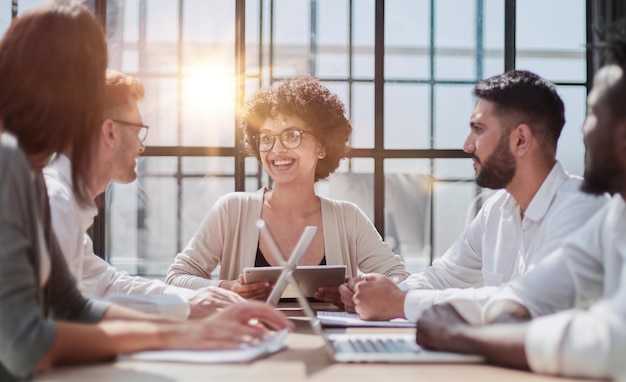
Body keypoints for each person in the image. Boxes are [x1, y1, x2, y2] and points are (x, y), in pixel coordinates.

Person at [0, 3, 290, 381]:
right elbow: (26, 345)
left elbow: (69, 303)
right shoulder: (10, 164)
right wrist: (181, 331)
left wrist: (189, 329)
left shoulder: (31, 175)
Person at [414, 39, 626, 380]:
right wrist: (501, 326)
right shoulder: (614, 217)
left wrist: (464, 335)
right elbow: (522, 295)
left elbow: (606, 345)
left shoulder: (585, 207)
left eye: (595, 115)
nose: (585, 133)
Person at [341, 70, 608, 321]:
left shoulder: (583, 209)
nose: (467, 145)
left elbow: (526, 302)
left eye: (478, 130)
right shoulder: (497, 210)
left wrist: (398, 302)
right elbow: (443, 275)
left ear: (521, 140)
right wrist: (377, 295)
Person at [166, 76, 409, 305]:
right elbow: (177, 278)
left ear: (322, 146)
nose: (277, 149)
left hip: (328, 344)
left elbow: (400, 278)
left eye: (292, 136)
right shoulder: (232, 210)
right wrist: (225, 289)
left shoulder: (348, 218)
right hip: (250, 342)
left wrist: (356, 290)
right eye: (267, 138)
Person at [44, 69, 244, 319]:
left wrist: (200, 297)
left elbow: (107, 284)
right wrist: (186, 307)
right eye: (138, 131)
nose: (141, 146)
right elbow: (61, 316)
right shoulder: (56, 205)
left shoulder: (63, 203)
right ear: (110, 132)